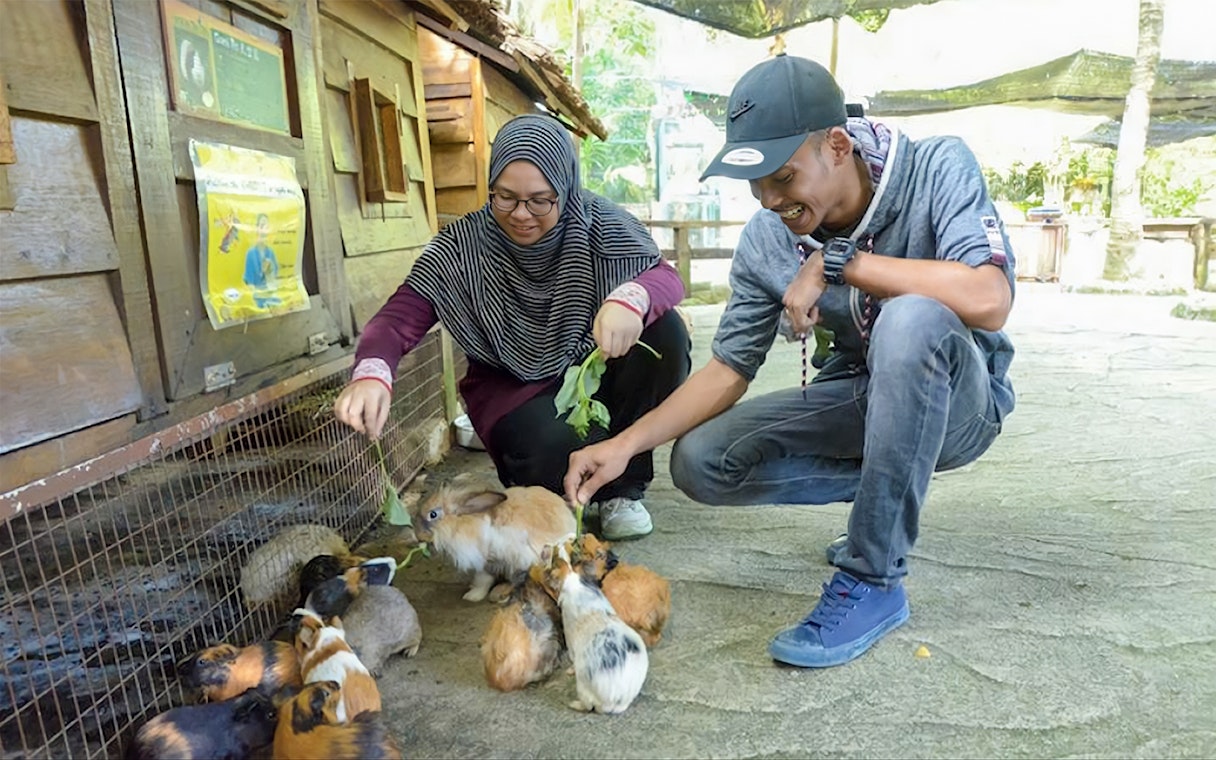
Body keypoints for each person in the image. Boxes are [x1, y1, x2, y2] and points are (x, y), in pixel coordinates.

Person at [564, 54, 1016, 667]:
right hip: (858, 393)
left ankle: (874, 575)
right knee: (701, 462)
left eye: (782, 177)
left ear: (836, 144)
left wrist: (841, 263)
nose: (770, 199)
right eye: (757, 185)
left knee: (912, 317)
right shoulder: (767, 238)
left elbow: (989, 298)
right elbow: (728, 369)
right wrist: (624, 446)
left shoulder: (936, 165)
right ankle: (888, 489)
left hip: (962, 402)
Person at [335, 114, 690, 541]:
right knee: (548, 447)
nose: (521, 215)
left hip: (587, 369)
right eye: (505, 197)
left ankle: (624, 490)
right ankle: (551, 503)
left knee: (664, 333)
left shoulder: (602, 226)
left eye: (540, 200)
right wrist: (373, 371)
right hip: (516, 385)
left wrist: (629, 299)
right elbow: (401, 314)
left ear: (566, 190)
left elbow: (664, 279)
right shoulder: (462, 247)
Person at [243, 213, 281, 308]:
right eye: (262, 226)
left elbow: (274, 280)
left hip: (270, 295)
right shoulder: (250, 254)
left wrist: (269, 272)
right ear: (257, 229)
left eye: (267, 227)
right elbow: (250, 284)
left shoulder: (271, 253)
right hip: (257, 298)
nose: (264, 231)